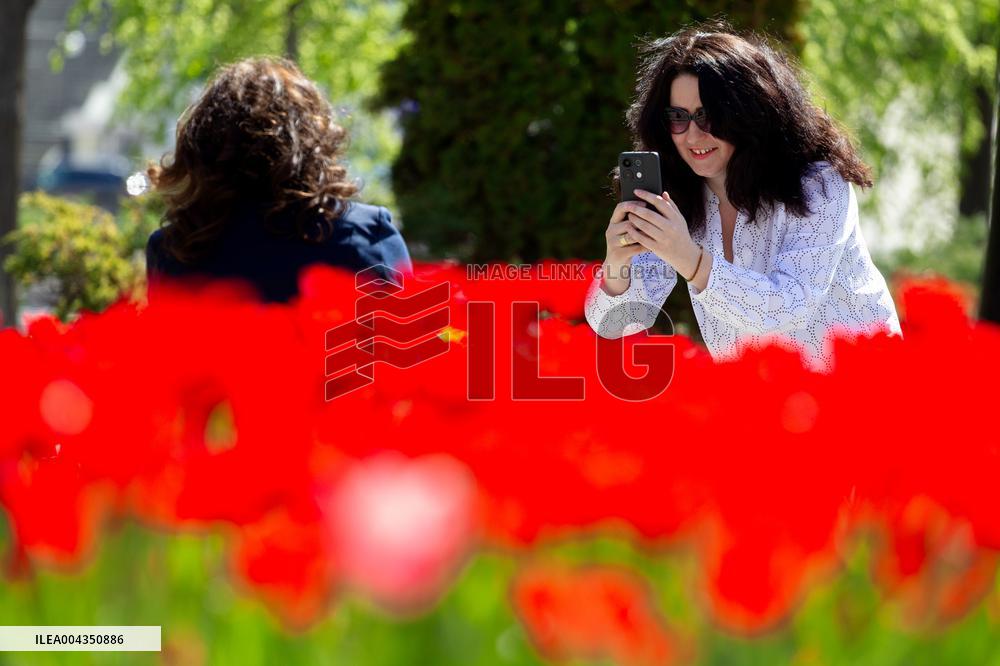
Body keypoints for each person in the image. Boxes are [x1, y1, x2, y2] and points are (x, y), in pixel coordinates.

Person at [584, 23, 902, 373]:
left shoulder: (817, 183)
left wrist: (690, 259)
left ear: (748, 112)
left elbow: (787, 306)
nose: (693, 135)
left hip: (860, 388)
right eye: (678, 118)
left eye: (708, 116)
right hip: (763, 401)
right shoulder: (678, 196)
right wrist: (618, 265)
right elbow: (616, 326)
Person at [145, 56, 412, 304]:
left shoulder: (175, 249)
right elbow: (408, 348)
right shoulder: (362, 235)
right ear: (312, 139)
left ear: (203, 147)